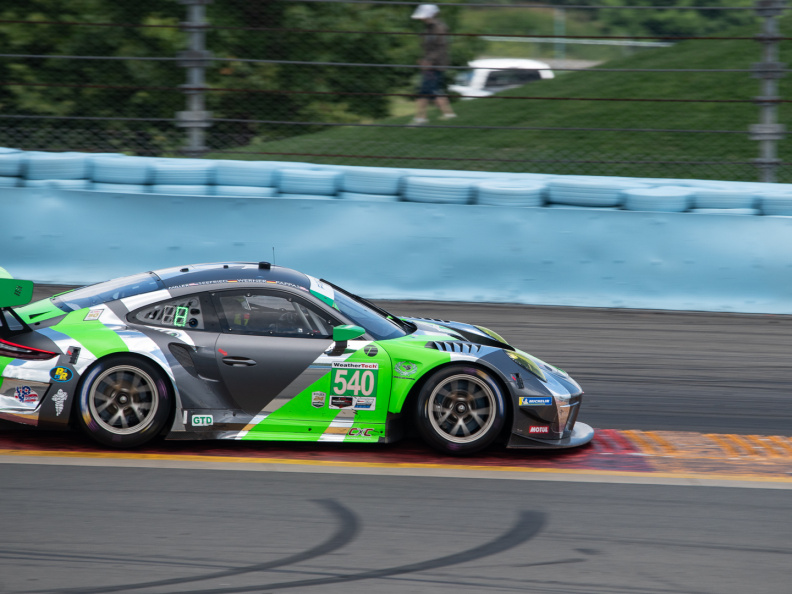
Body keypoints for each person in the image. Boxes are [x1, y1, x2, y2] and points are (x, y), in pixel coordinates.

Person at [410, 4, 456, 125]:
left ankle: (425, 117)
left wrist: (428, 60)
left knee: (429, 90)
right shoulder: (429, 28)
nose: (421, 18)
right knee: (429, 89)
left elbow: (441, 47)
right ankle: (424, 117)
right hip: (430, 64)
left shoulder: (439, 28)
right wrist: (424, 59)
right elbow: (429, 48)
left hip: (436, 64)